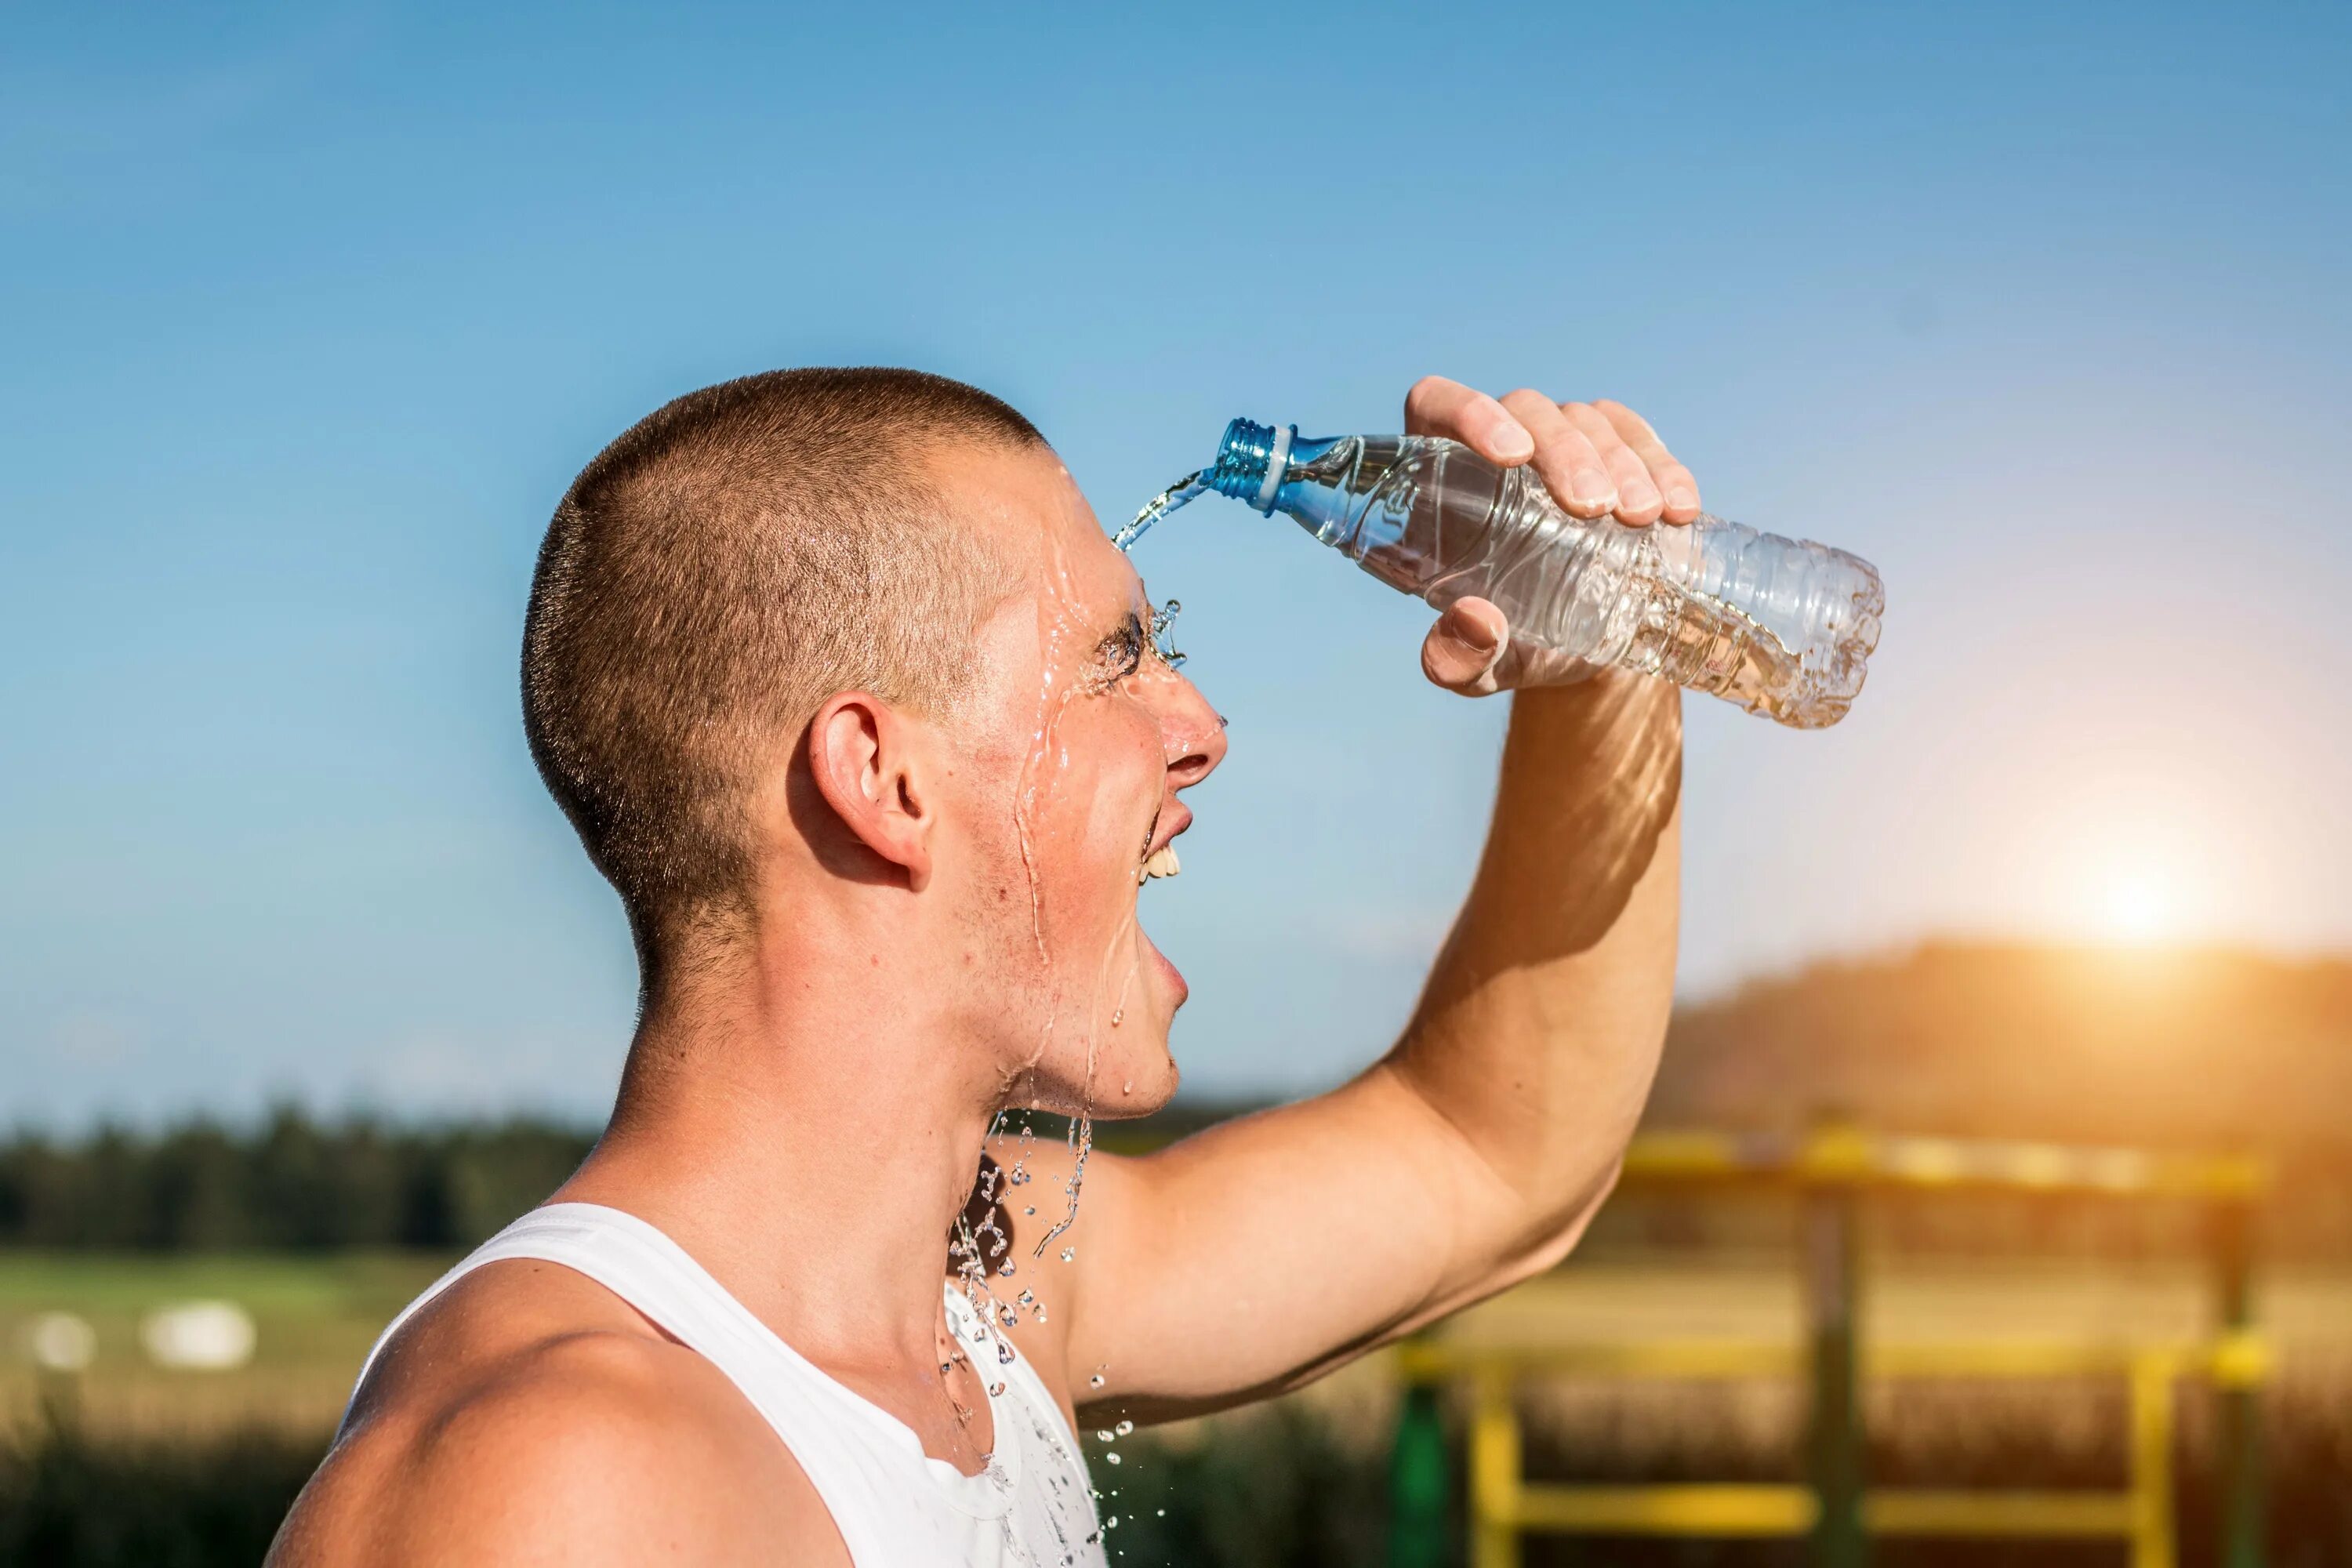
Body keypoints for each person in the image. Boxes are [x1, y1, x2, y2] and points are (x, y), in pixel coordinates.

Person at [268, 368, 1695, 1566]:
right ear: (884, 780)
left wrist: (1608, 654)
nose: (1198, 727)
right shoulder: (554, 1485)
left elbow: (1493, 1154)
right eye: (1119, 655)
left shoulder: (990, 1288)